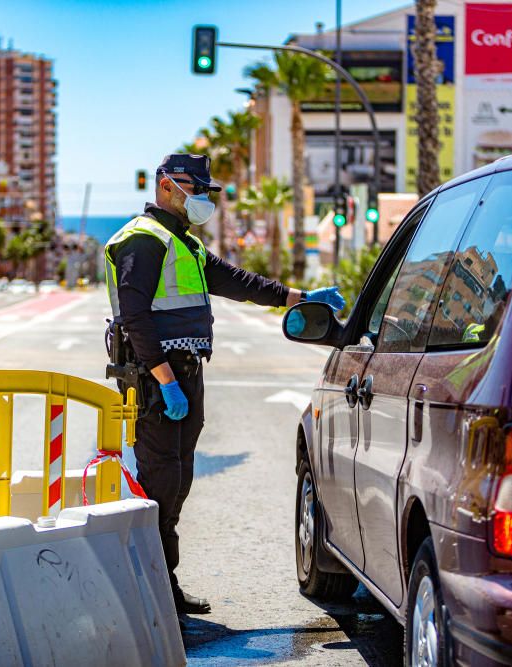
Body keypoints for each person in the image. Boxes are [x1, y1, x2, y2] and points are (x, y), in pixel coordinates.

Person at [104, 153, 344, 617]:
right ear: (167, 186)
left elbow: (238, 282)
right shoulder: (144, 240)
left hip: (183, 373)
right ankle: (152, 589)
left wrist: (300, 298)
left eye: (205, 191)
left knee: (177, 482)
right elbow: (135, 319)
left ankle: (162, 583)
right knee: (161, 481)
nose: (201, 199)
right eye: (195, 189)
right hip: (158, 379)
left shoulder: (184, 244)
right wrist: (165, 379)